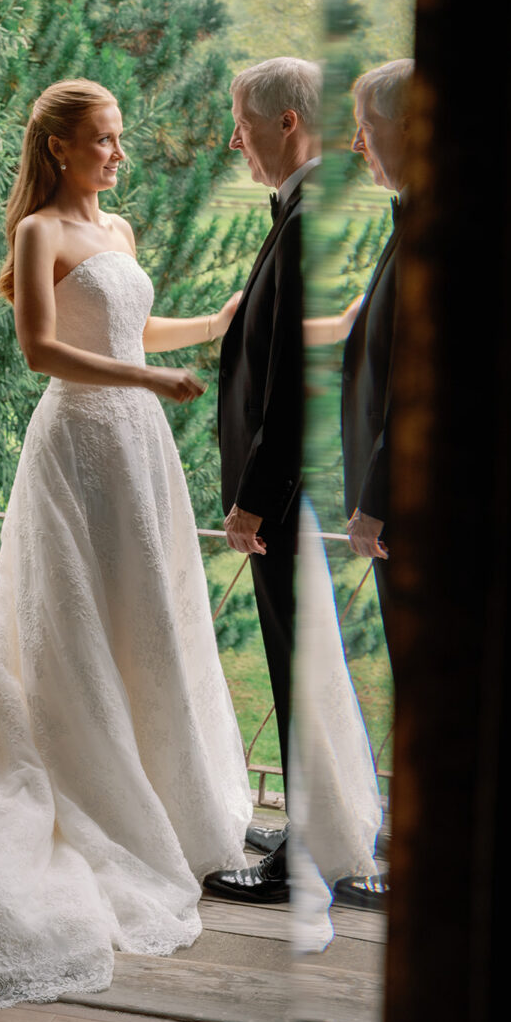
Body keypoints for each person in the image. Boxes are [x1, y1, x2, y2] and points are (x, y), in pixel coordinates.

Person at [0, 79, 253, 1012]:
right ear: (58, 149)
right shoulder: (38, 233)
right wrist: (146, 378)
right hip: (79, 442)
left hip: (137, 444)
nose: (117, 154)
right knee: (83, 617)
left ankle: (168, 786)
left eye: (118, 138)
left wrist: (207, 329)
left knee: (148, 610)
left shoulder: (119, 229)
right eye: (102, 141)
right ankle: (93, 777)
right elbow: (44, 351)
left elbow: (126, 322)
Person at [203, 57, 318, 903]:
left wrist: (252, 496)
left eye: (242, 123)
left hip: (285, 499)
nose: (234, 140)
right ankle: (320, 830)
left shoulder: (311, 218)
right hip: (289, 494)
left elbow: (292, 384)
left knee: (296, 669)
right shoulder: (301, 211)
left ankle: (302, 859)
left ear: (284, 122)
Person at [335, 57, 414, 910]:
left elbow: (420, 380)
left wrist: (375, 499)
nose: (359, 143)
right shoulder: (408, 218)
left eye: (368, 126)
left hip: (409, 508)